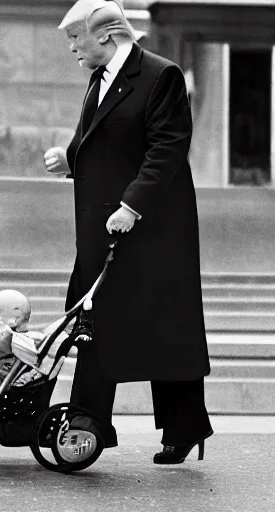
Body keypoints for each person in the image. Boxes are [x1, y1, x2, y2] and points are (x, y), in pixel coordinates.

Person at [44, 0, 213, 464]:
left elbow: (168, 148)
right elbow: (101, 140)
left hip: (153, 229)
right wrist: (70, 157)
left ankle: (184, 428)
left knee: (165, 327)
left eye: (75, 37)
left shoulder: (161, 76)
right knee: (93, 320)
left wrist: (132, 206)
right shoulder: (98, 79)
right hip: (104, 231)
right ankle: (87, 423)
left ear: (105, 34)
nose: (72, 47)